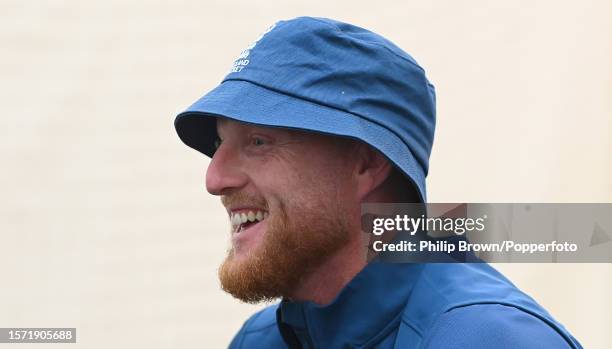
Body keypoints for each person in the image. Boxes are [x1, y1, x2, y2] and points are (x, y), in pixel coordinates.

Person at [174, 16, 583, 349]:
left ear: (366, 164)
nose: (215, 178)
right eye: (219, 142)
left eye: (259, 142)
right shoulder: (259, 341)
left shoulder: (491, 339)